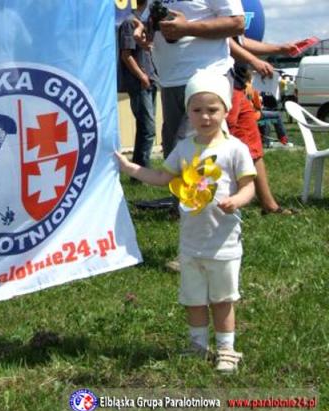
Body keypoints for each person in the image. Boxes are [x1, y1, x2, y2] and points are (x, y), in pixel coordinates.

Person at [116, 71, 256, 372]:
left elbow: (249, 186)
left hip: (224, 243)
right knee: (193, 299)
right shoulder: (184, 148)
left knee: (222, 298)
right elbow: (163, 177)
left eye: (212, 109)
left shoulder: (235, 149)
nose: (205, 117)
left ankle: (226, 349)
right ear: (188, 112)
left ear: (225, 111)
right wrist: (132, 169)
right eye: (197, 110)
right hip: (191, 245)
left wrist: (237, 201)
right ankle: (197, 345)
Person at [134, 0, 245, 158]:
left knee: (200, 155)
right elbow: (146, 17)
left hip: (206, 76)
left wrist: (186, 29)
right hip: (169, 80)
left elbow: (237, 23)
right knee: (174, 155)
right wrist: (145, 30)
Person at [227, 64, 295, 215]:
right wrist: (254, 60)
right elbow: (230, 43)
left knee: (252, 146)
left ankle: (269, 205)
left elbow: (238, 43)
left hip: (235, 83)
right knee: (219, 142)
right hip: (222, 80)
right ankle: (211, 200)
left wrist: (279, 49)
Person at [118, 0, 157, 170]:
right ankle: (141, 171)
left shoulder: (148, 22)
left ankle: (140, 169)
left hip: (153, 79)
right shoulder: (129, 22)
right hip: (139, 82)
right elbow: (126, 55)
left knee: (146, 127)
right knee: (147, 128)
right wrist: (142, 77)